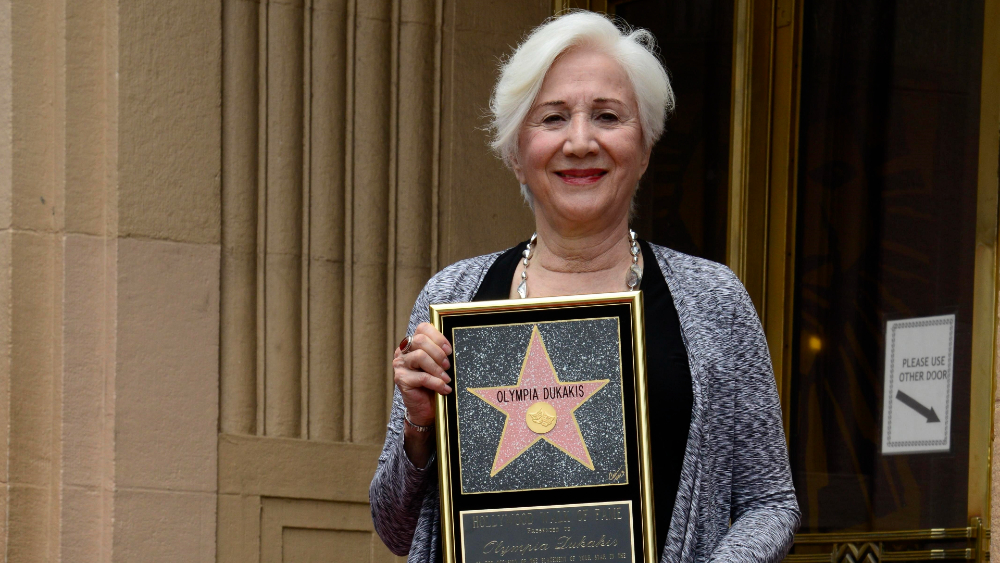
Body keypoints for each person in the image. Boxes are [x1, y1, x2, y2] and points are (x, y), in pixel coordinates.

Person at [370, 10, 799, 563]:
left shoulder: (713, 299)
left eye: (607, 116)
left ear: (644, 148)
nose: (580, 141)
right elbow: (396, 529)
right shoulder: (453, 296)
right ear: (515, 154)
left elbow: (771, 502)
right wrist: (418, 430)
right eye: (552, 118)